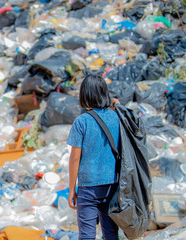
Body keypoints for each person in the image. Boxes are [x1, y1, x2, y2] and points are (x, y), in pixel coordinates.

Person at [67, 75, 120, 240]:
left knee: (87, 235)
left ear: (85, 95)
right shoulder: (116, 117)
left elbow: (75, 159)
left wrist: (71, 189)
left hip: (88, 187)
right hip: (112, 184)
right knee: (111, 233)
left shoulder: (81, 122)